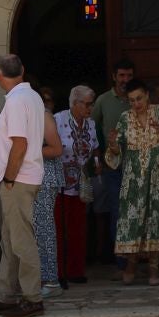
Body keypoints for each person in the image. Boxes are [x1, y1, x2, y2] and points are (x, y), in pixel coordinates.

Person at [0, 53, 46, 317]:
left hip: (18, 179)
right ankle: (5, 294)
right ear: (22, 70)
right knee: (9, 239)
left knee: (21, 239)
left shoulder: (17, 100)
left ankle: (32, 297)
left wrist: (9, 178)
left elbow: (20, 143)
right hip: (24, 177)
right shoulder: (32, 97)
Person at [103, 79, 159, 284]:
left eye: (139, 98)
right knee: (133, 221)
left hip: (157, 179)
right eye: (131, 100)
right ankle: (131, 264)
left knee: (155, 220)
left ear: (147, 95)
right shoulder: (124, 118)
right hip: (133, 179)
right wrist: (112, 145)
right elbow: (116, 154)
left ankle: (154, 269)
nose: (136, 104)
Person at [91, 58, 136, 261]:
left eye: (129, 76)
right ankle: (119, 261)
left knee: (136, 211)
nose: (125, 80)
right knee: (117, 212)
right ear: (114, 77)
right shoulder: (102, 100)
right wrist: (97, 156)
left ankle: (137, 258)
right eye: (121, 75)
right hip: (113, 164)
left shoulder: (137, 99)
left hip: (137, 164)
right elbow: (92, 129)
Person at [54, 85, 97, 284]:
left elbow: (94, 148)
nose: (90, 108)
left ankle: (76, 270)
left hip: (81, 184)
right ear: (74, 103)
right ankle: (59, 272)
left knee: (78, 229)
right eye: (87, 104)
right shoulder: (57, 120)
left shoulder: (90, 124)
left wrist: (96, 164)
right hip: (60, 183)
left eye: (91, 104)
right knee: (60, 228)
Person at [34, 105, 66, 296]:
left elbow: (56, 149)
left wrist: (27, 150)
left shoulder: (44, 115)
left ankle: (51, 281)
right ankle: (40, 278)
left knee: (45, 229)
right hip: (35, 179)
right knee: (37, 231)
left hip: (45, 179)